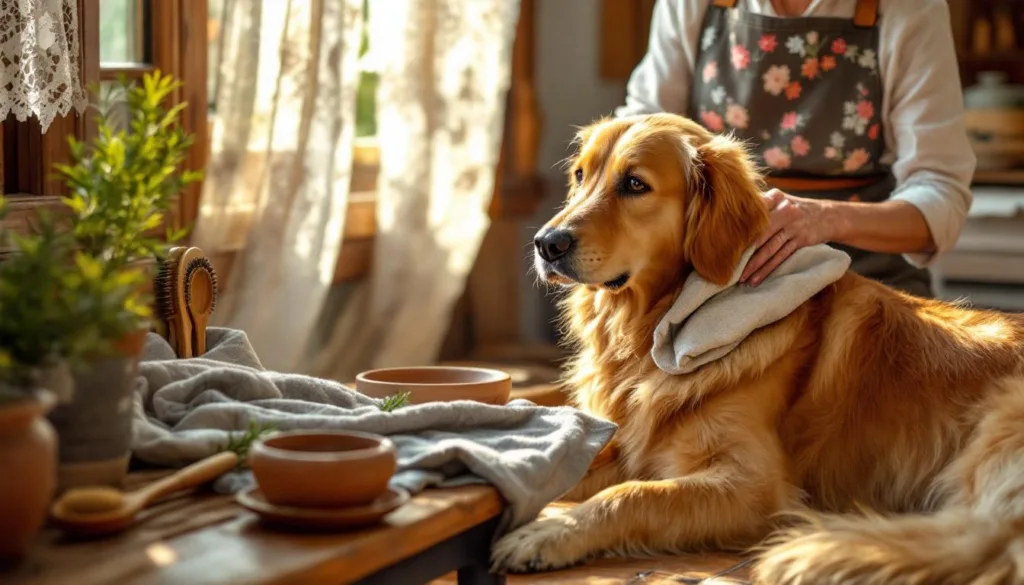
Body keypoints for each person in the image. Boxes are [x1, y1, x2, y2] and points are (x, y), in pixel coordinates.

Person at [615, 0, 975, 298]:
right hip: (714, 280)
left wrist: (825, 219)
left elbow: (939, 195)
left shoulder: (909, 10)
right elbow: (638, 137)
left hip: (863, 284)